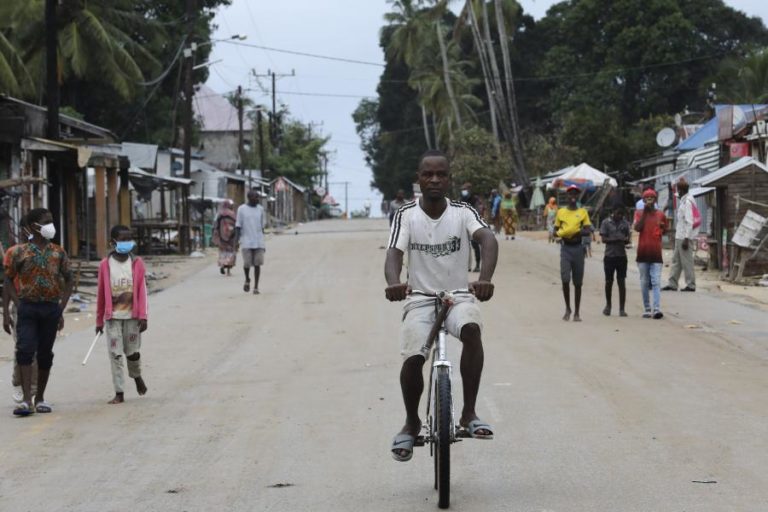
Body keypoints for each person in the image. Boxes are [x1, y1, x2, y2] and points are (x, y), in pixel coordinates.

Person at [386, 150, 498, 462]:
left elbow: (487, 240)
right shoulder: (405, 215)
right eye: (428, 174)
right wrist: (394, 283)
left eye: (441, 174)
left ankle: (469, 413)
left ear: (449, 179)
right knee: (412, 356)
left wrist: (485, 278)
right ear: (418, 179)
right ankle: (411, 423)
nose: (434, 180)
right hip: (420, 298)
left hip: (458, 295)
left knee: (472, 329)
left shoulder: (463, 212)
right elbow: (394, 254)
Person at [3, 208, 72, 416]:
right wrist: (15, 305)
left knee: (45, 354)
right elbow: (7, 279)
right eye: (46, 221)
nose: (51, 224)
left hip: (50, 307)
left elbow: (68, 279)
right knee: (24, 351)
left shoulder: (58, 252)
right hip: (28, 307)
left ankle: (40, 398)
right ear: (35, 226)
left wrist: (60, 308)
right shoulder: (18, 252)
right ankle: (26, 400)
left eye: (51, 220)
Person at [95, 225, 149, 404]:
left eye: (129, 239)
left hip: (132, 317)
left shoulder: (137, 263)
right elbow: (101, 294)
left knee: (132, 352)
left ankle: (137, 375)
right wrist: (99, 320)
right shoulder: (105, 265)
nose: (127, 242)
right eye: (123, 239)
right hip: (113, 318)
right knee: (115, 354)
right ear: (113, 242)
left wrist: (143, 316)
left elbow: (142, 291)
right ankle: (119, 392)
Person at [3, 215, 38, 404]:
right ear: (25, 229)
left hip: (42, 306)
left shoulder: (48, 253)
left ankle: (33, 392)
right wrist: (7, 313)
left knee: (39, 351)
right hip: (21, 307)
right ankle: (20, 384)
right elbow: (8, 282)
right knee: (24, 349)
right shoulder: (13, 253)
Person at [554, 185, 592, 322]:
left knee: (578, 283)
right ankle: (567, 308)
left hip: (578, 248)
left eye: (575, 194)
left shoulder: (582, 212)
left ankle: (576, 312)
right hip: (565, 249)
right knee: (565, 279)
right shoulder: (561, 212)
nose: (572, 197)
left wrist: (576, 232)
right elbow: (555, 230)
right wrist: (562, 233)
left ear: (578, 196)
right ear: (567, 196)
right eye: (570, 194)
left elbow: (587, 230)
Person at [634, 188, 668, 319]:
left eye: (651, 198)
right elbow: (637, 228)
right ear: (643, 200)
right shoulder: (639, 213)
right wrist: (645, 214)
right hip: (642, 253)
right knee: (644, 282)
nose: (649, 200)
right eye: (647, 198)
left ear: (655, 200)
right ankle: (647, 308)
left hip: (656, 254)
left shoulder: (660, 215)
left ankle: (657, 309)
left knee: (656, 281)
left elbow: (664, 229)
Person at [663, 178, 697, 292]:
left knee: (687, 261)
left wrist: (686, 239)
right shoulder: (684, 200)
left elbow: (689, 221)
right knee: (676, 260)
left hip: (684, 237)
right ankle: (672, 283)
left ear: (681, 189)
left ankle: (691, 284)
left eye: (678, 189)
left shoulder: (687, 202)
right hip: (679, 236)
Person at [600, 205, 631, 316]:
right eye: (618, 213)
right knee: (609, 281)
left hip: (621, 256)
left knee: (621, 282)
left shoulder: (625, 223)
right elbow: (603, 239)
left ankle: (622, 309)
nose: (619, 216)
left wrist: (626, 241)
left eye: (621, 214)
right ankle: (608, 305)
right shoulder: (605, 223)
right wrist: (616, 239)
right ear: (613, 212)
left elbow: (628, 239)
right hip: (609, 256)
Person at [236, 189, 266, 294]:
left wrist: (263, 243)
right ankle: (247, 279)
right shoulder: (241, 209)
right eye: (256, 197)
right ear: (249, 198)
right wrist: (236, 241)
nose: (258, 199)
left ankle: (256, 287)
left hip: (259, 241)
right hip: (246, 241)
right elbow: (238, 226)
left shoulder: (261, 209)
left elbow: (262, 227)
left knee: (258, 264)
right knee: (247, 264)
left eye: (258, 197)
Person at [460, 182, 483, 272]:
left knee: (475, 245)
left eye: (465, 190)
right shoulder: (461, 199)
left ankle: (477, 265)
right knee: (464, 246)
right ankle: (467, 266)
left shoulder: (475, 199)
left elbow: (477, 212)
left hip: (473, 224)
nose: (463, 191)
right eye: (463, 190)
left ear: (469, 190)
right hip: (463, 224)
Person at [212, 199, 237, 276]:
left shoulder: (219, 214)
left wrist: (216, 235)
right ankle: (228, 271)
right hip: (231, 237)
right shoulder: (232, 214)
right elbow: (236, 224)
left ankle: (223, 264)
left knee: (223, 252)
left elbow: (215, 225)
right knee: (230, 252)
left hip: (221, 236)